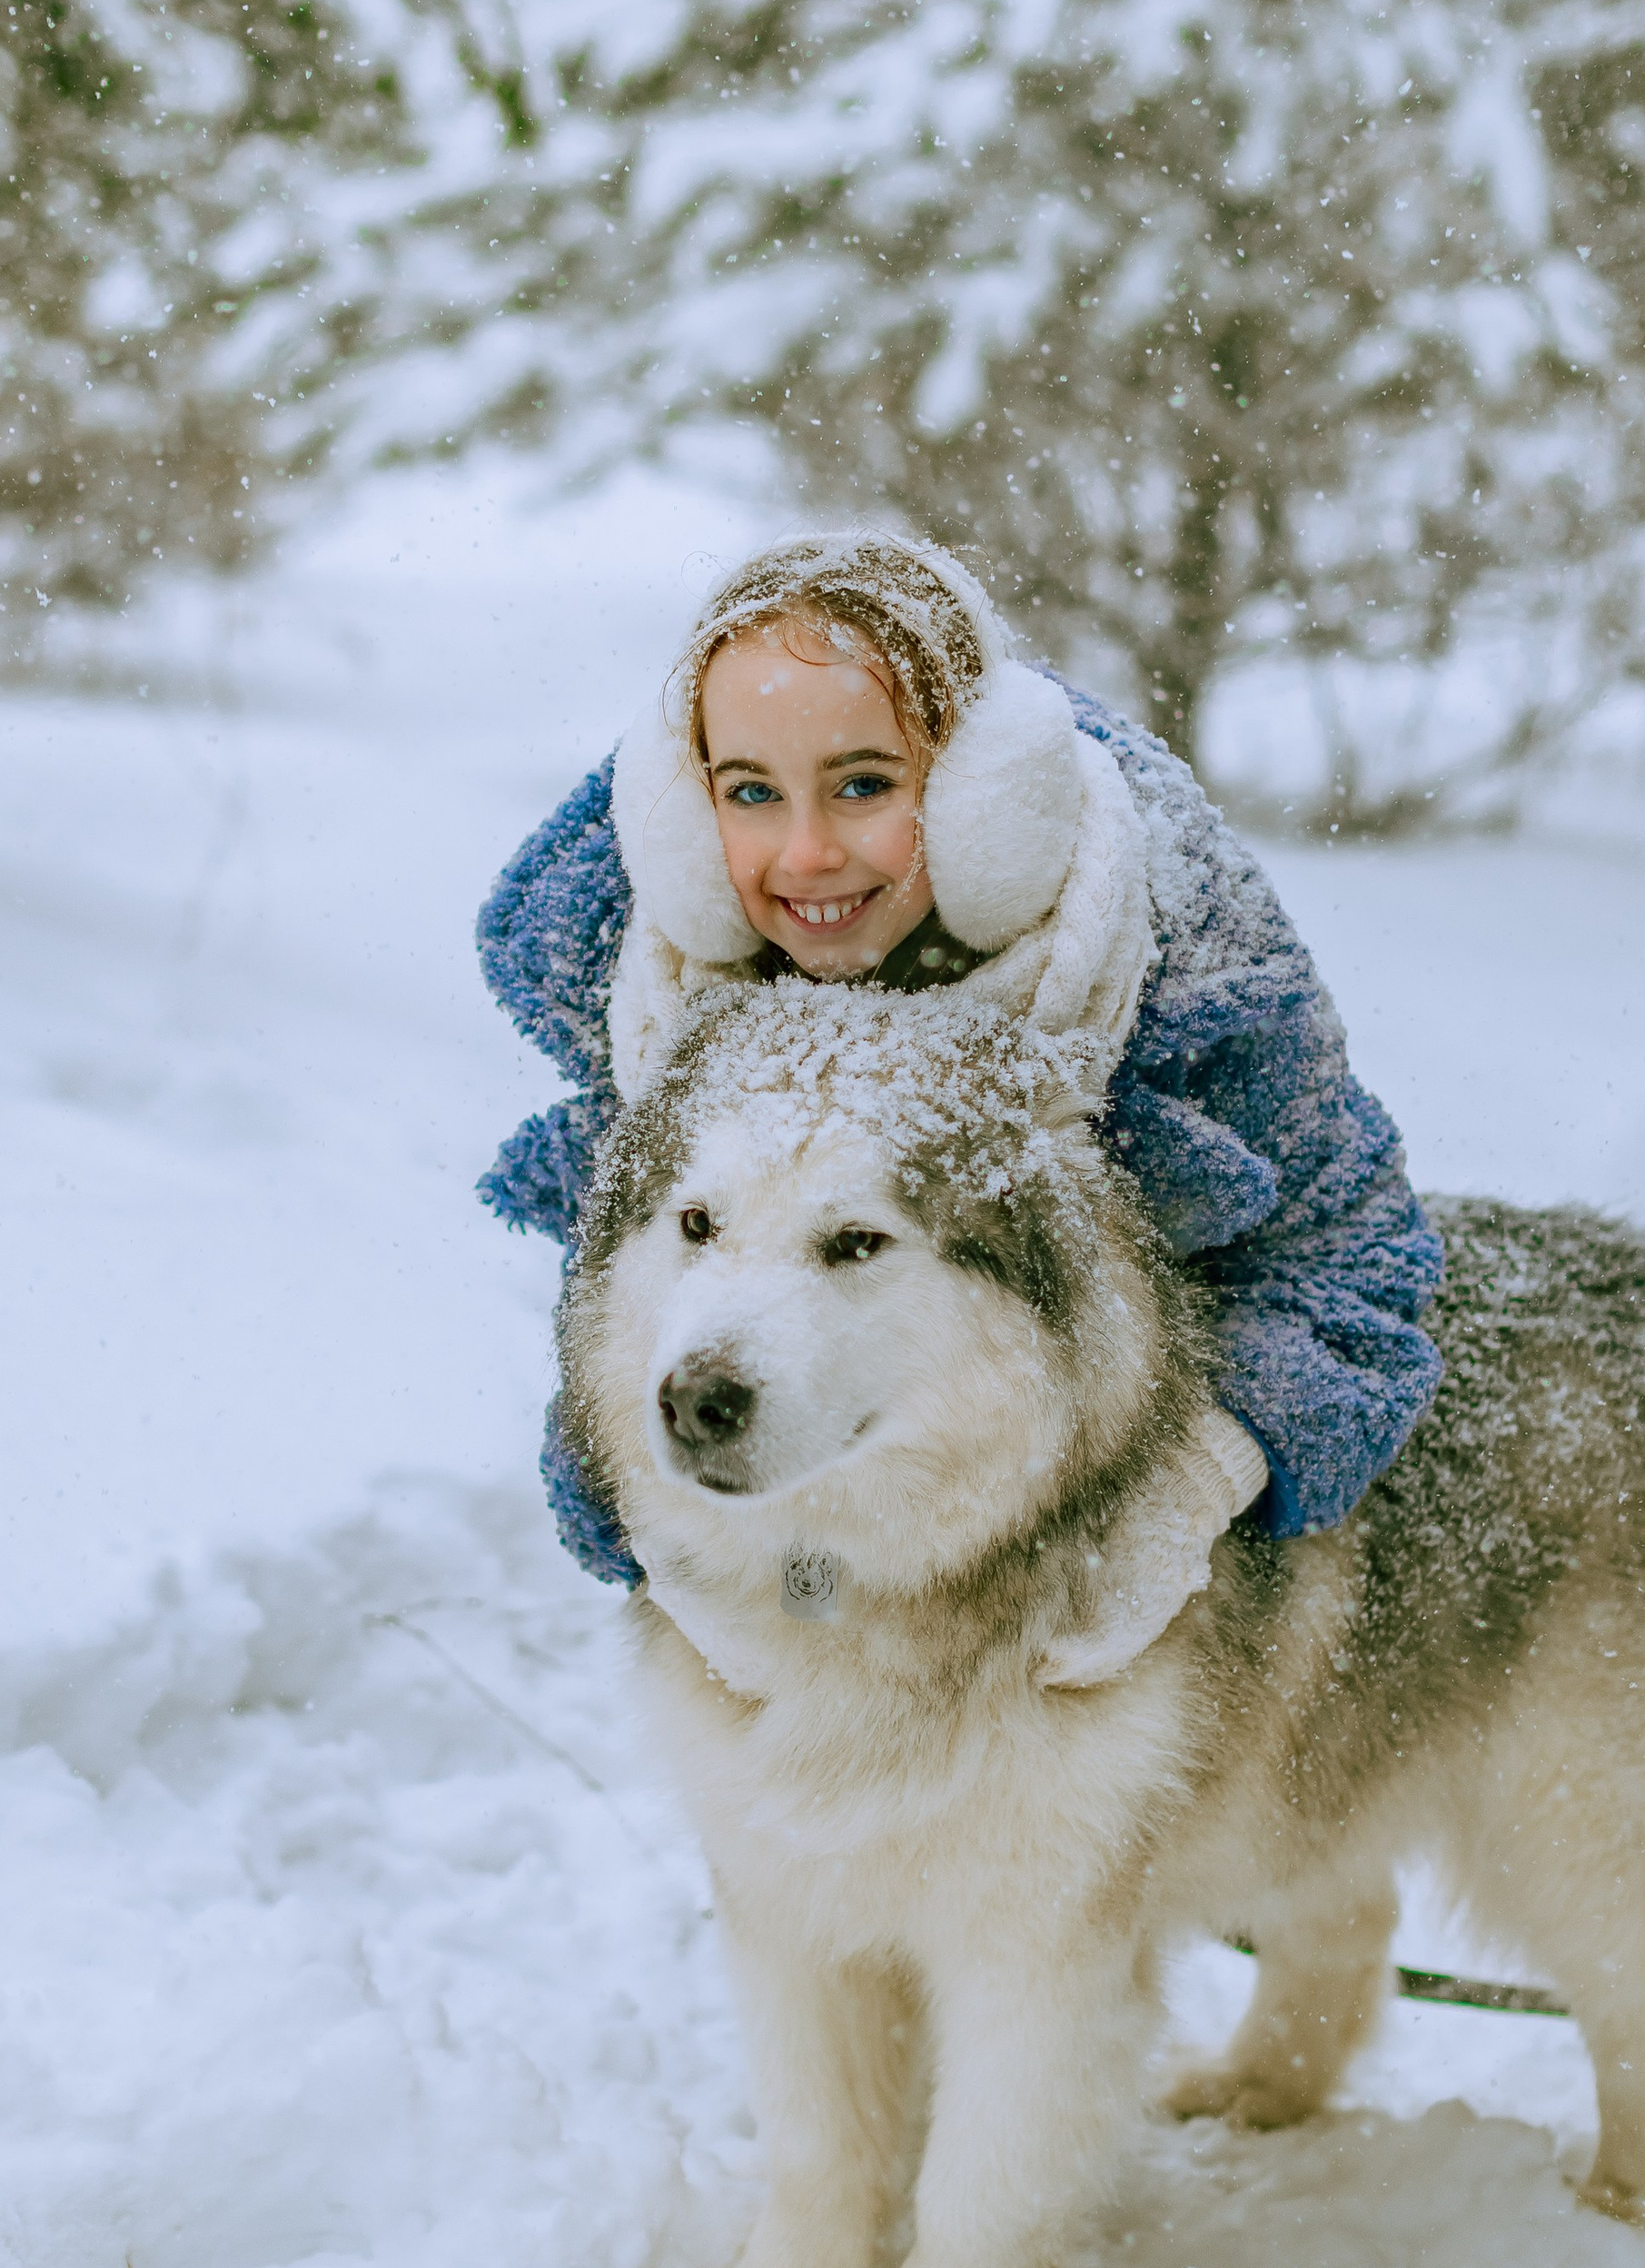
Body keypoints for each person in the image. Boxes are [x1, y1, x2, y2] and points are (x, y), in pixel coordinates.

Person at [476, 531, 1442, 1684]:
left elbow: (1351, 1268)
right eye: (747, 793)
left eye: (866, 784)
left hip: (1091, 1529)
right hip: (855, 1524)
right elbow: (620, 1289)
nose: (806, 855)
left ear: (993, 789)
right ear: (680, 817)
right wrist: (676, 1545)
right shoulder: (655, 983)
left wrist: (1191, 1492)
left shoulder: (1188, 959)